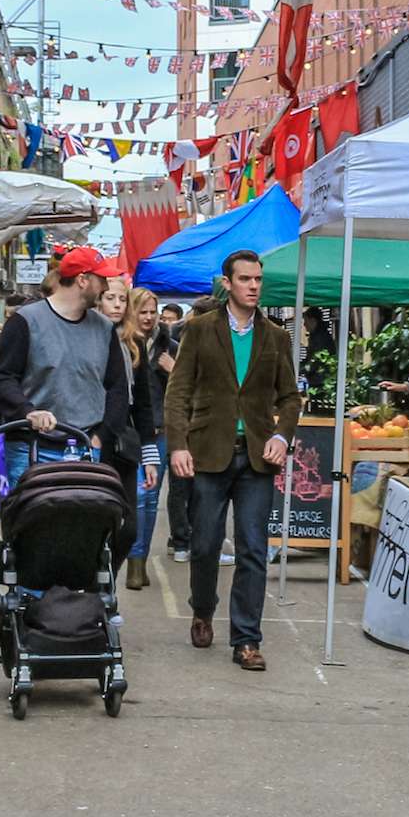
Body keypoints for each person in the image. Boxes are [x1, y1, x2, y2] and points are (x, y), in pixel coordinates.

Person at [163, 250, 300, 671]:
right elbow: (178, 392)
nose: (254, 286)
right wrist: (178, 445)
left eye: (258, 279)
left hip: (256, 458)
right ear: (227, 283)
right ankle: (203, 608)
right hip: (208, 453)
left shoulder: (276, 336)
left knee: (253, 549)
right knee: (203, 544)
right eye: (245, 279)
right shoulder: (201, 330)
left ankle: (246, 639)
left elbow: (290, 397)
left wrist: (281, 434)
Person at [0, 246, 135, 493]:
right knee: (28, 523)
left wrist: (102, 435)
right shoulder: (25, 321)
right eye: (102, 280)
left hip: (86, 446)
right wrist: (27, 412)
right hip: (30, 447)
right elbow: (1, 378)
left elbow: (117, 387)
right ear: (82, 280)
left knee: (83, 526)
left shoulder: (104, 328)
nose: (107, 288)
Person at [116, 283, 170, 589]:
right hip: (129, 434)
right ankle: (132, 559)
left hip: (159, 432)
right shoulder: (122, 343)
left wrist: (173, 371)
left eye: (154, 312)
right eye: (143, 311)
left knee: (150, 498)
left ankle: (140, 561)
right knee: (136, 497)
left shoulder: (168, 345)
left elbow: (189, 389)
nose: (149, 317)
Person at [152, 301, 194, 560]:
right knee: (150, 493)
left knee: (181, 487)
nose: (164, 322)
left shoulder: (177, 349)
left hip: (179, 427)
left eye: (170, 319)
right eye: (162, 317)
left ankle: (180, 541)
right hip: (156, 428)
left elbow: (194, 386)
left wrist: (173, 369)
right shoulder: (149, 348)